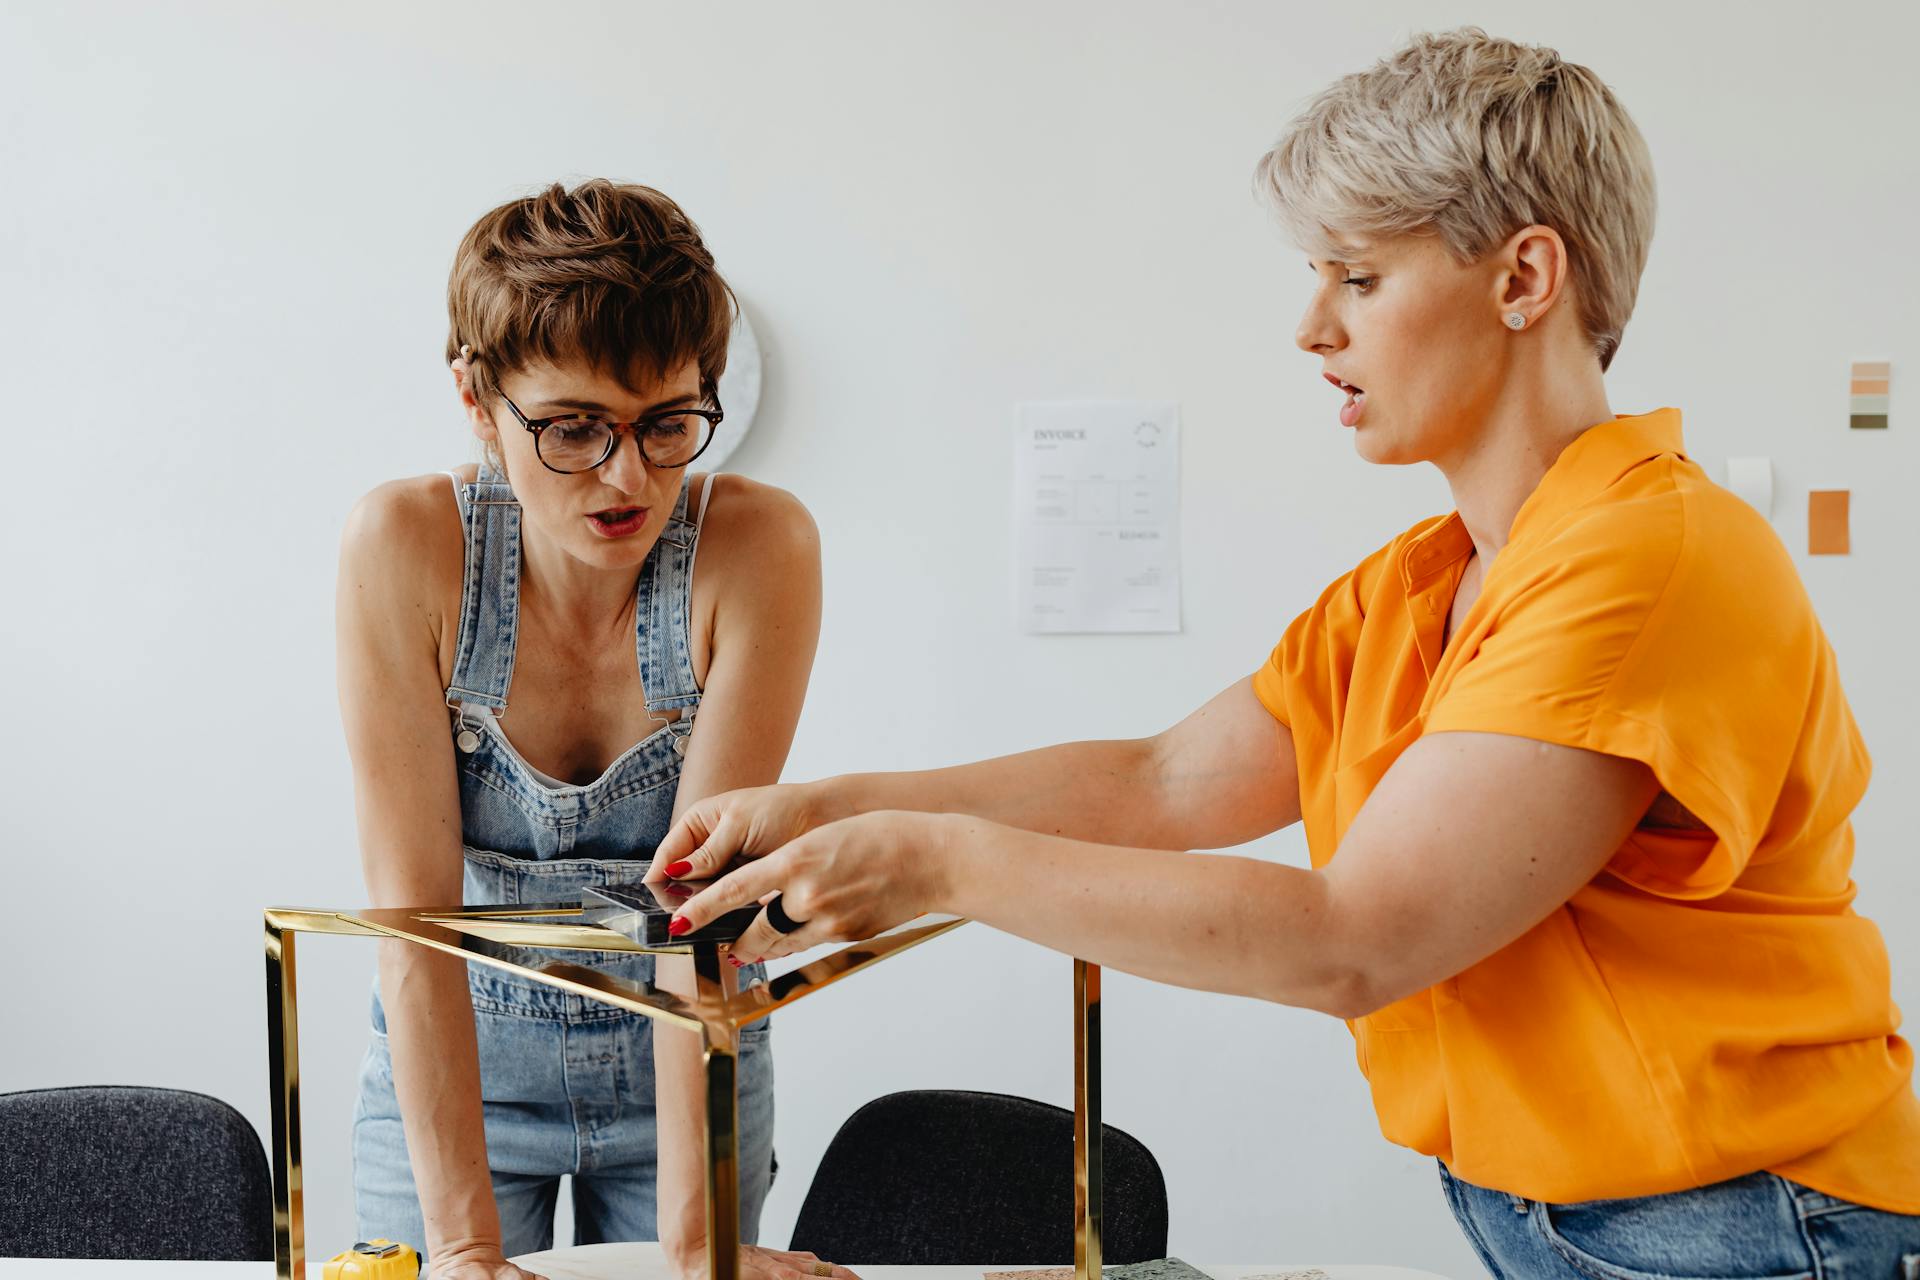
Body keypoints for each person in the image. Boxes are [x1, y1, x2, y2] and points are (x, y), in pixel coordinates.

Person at [652, 30, 1920, 1278]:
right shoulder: (1421, 585)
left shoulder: (1647, 559)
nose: (1312, 326)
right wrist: (834, 806)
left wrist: (931, 858)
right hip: (1567, 1220)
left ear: (1526, 278)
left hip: (1753, 1226)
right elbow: (1162, 781)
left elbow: (1356, 935)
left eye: (1359, 278)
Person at [337, 179, 848, 1280]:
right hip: (456, 1071)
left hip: (683, 1067)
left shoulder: (758, 551)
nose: (630, 476)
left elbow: (693, 912)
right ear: (478, 397)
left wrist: (700, 1235)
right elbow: (412, 922)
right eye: (573, 428)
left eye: (669, 424)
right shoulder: (405, 548)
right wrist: (466, 1243)